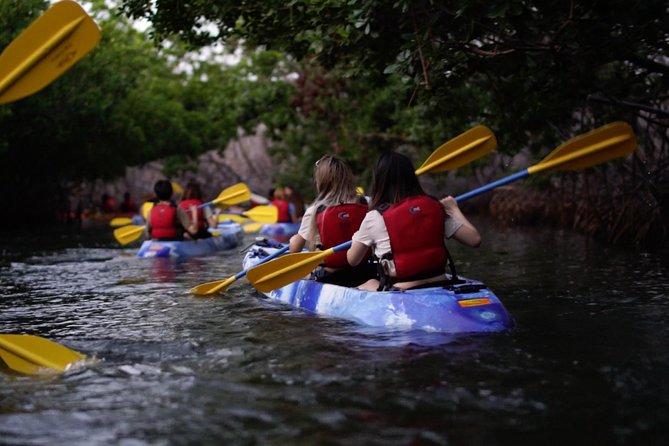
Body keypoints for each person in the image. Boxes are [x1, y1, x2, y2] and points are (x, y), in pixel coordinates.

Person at [347, 151, 481, 291]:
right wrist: (454, 209)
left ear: (379, 181)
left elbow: (353, 260)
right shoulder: (434, 207)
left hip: (402, 289)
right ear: (412, 177)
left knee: (368, 283)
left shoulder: (375, 217)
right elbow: (474, 240)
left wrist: (357, 236)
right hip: (441, 283)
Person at [288, 155, 374, 287]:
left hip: (330, 277)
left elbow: (295, 251)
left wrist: (293, 241)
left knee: (304, 273)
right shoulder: (368, 203)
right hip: (365, 272)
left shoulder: (314, 211)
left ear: (321, 182)